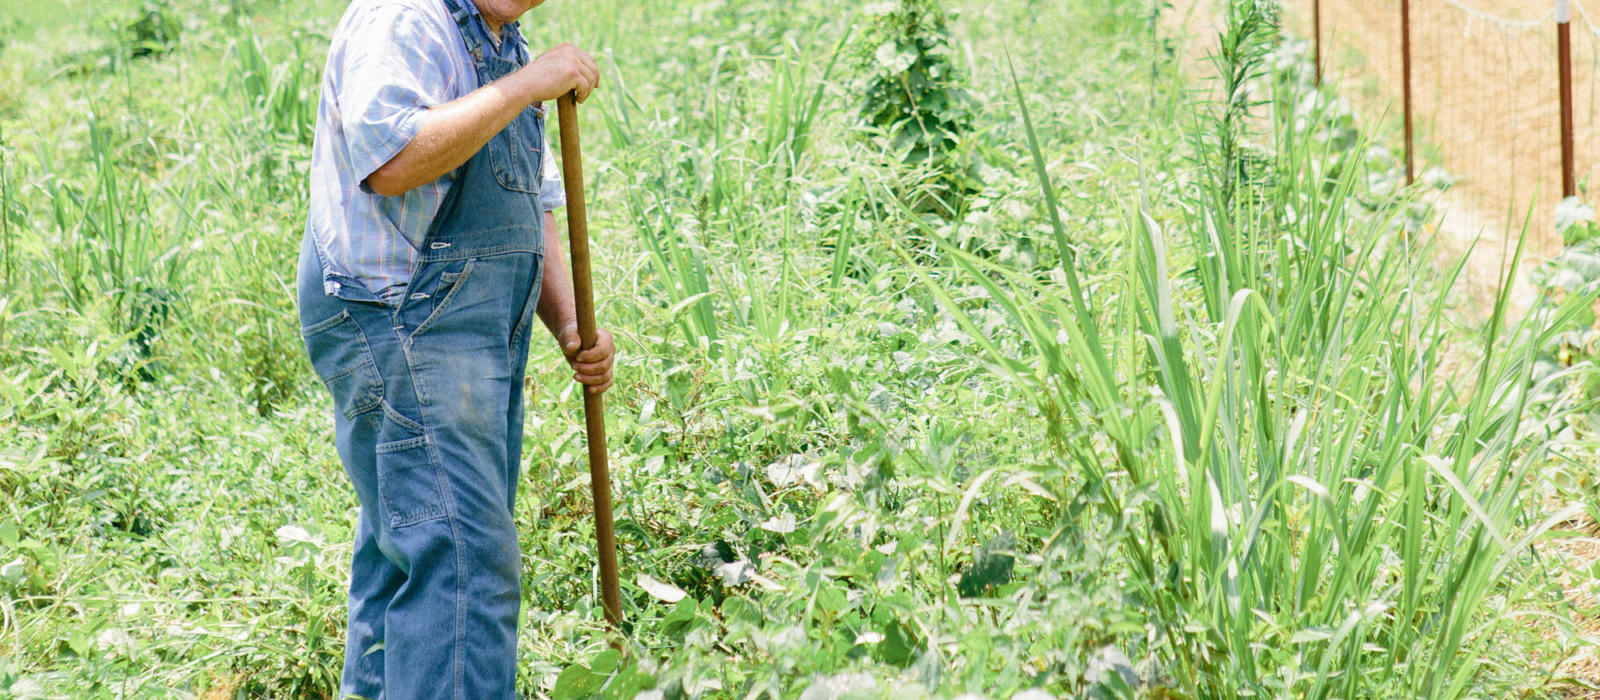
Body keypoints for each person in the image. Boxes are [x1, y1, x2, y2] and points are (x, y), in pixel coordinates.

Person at [295, 0, 612, 696]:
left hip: (458, 330)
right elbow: (391, 157)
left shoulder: (501, 39)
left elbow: (531, 199)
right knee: (463, 563)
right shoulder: (406, 16)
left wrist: (566, 323)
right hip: (402, 319)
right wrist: (528, 86)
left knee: (409, 550)